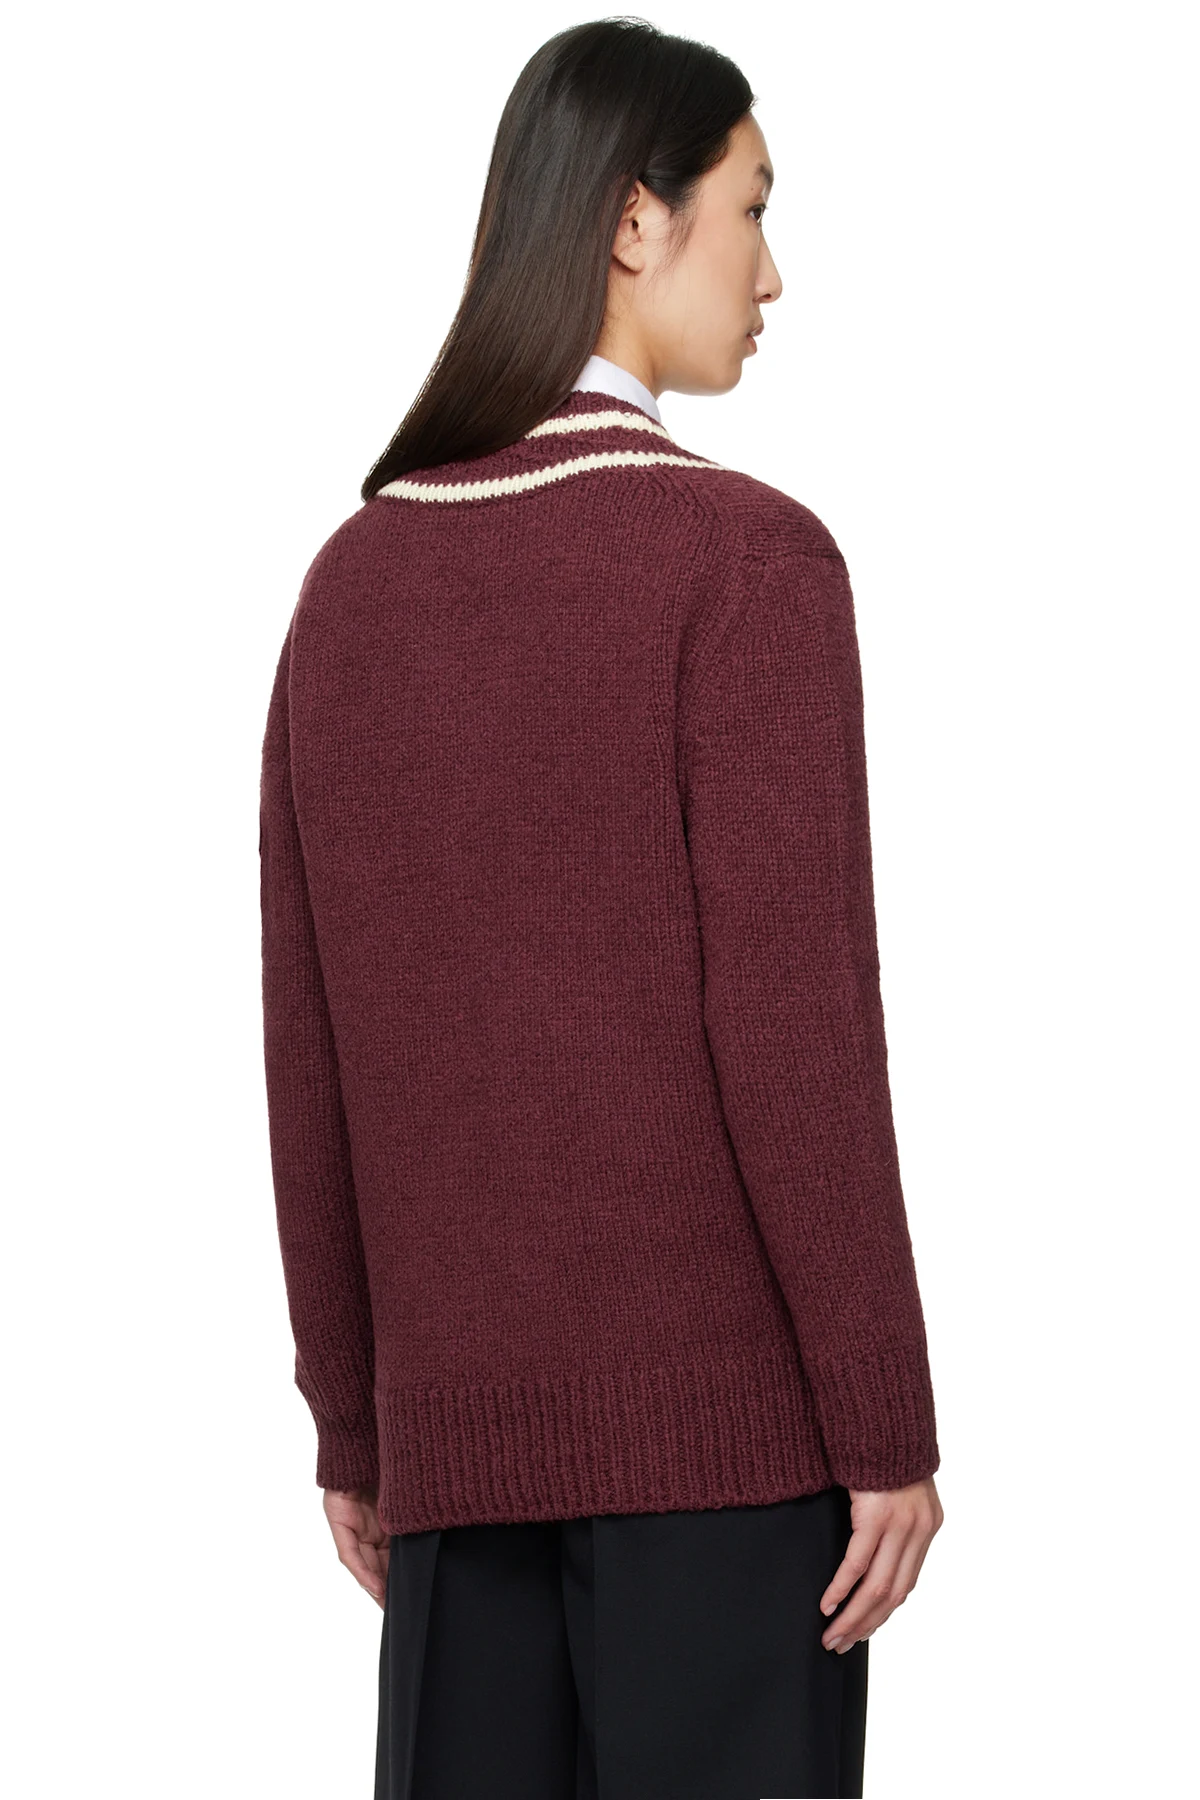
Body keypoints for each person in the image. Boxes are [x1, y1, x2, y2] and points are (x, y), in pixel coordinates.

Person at [258, 18, 943, 1799]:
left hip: (452, 1483)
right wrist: (885, 1420)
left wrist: (354, 1423)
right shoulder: (746, 563)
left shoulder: (350, 585)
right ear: (636, 222)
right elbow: (795, 1033)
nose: (774, 275)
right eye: (754, 209)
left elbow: (308, 1046)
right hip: (728, 1477)